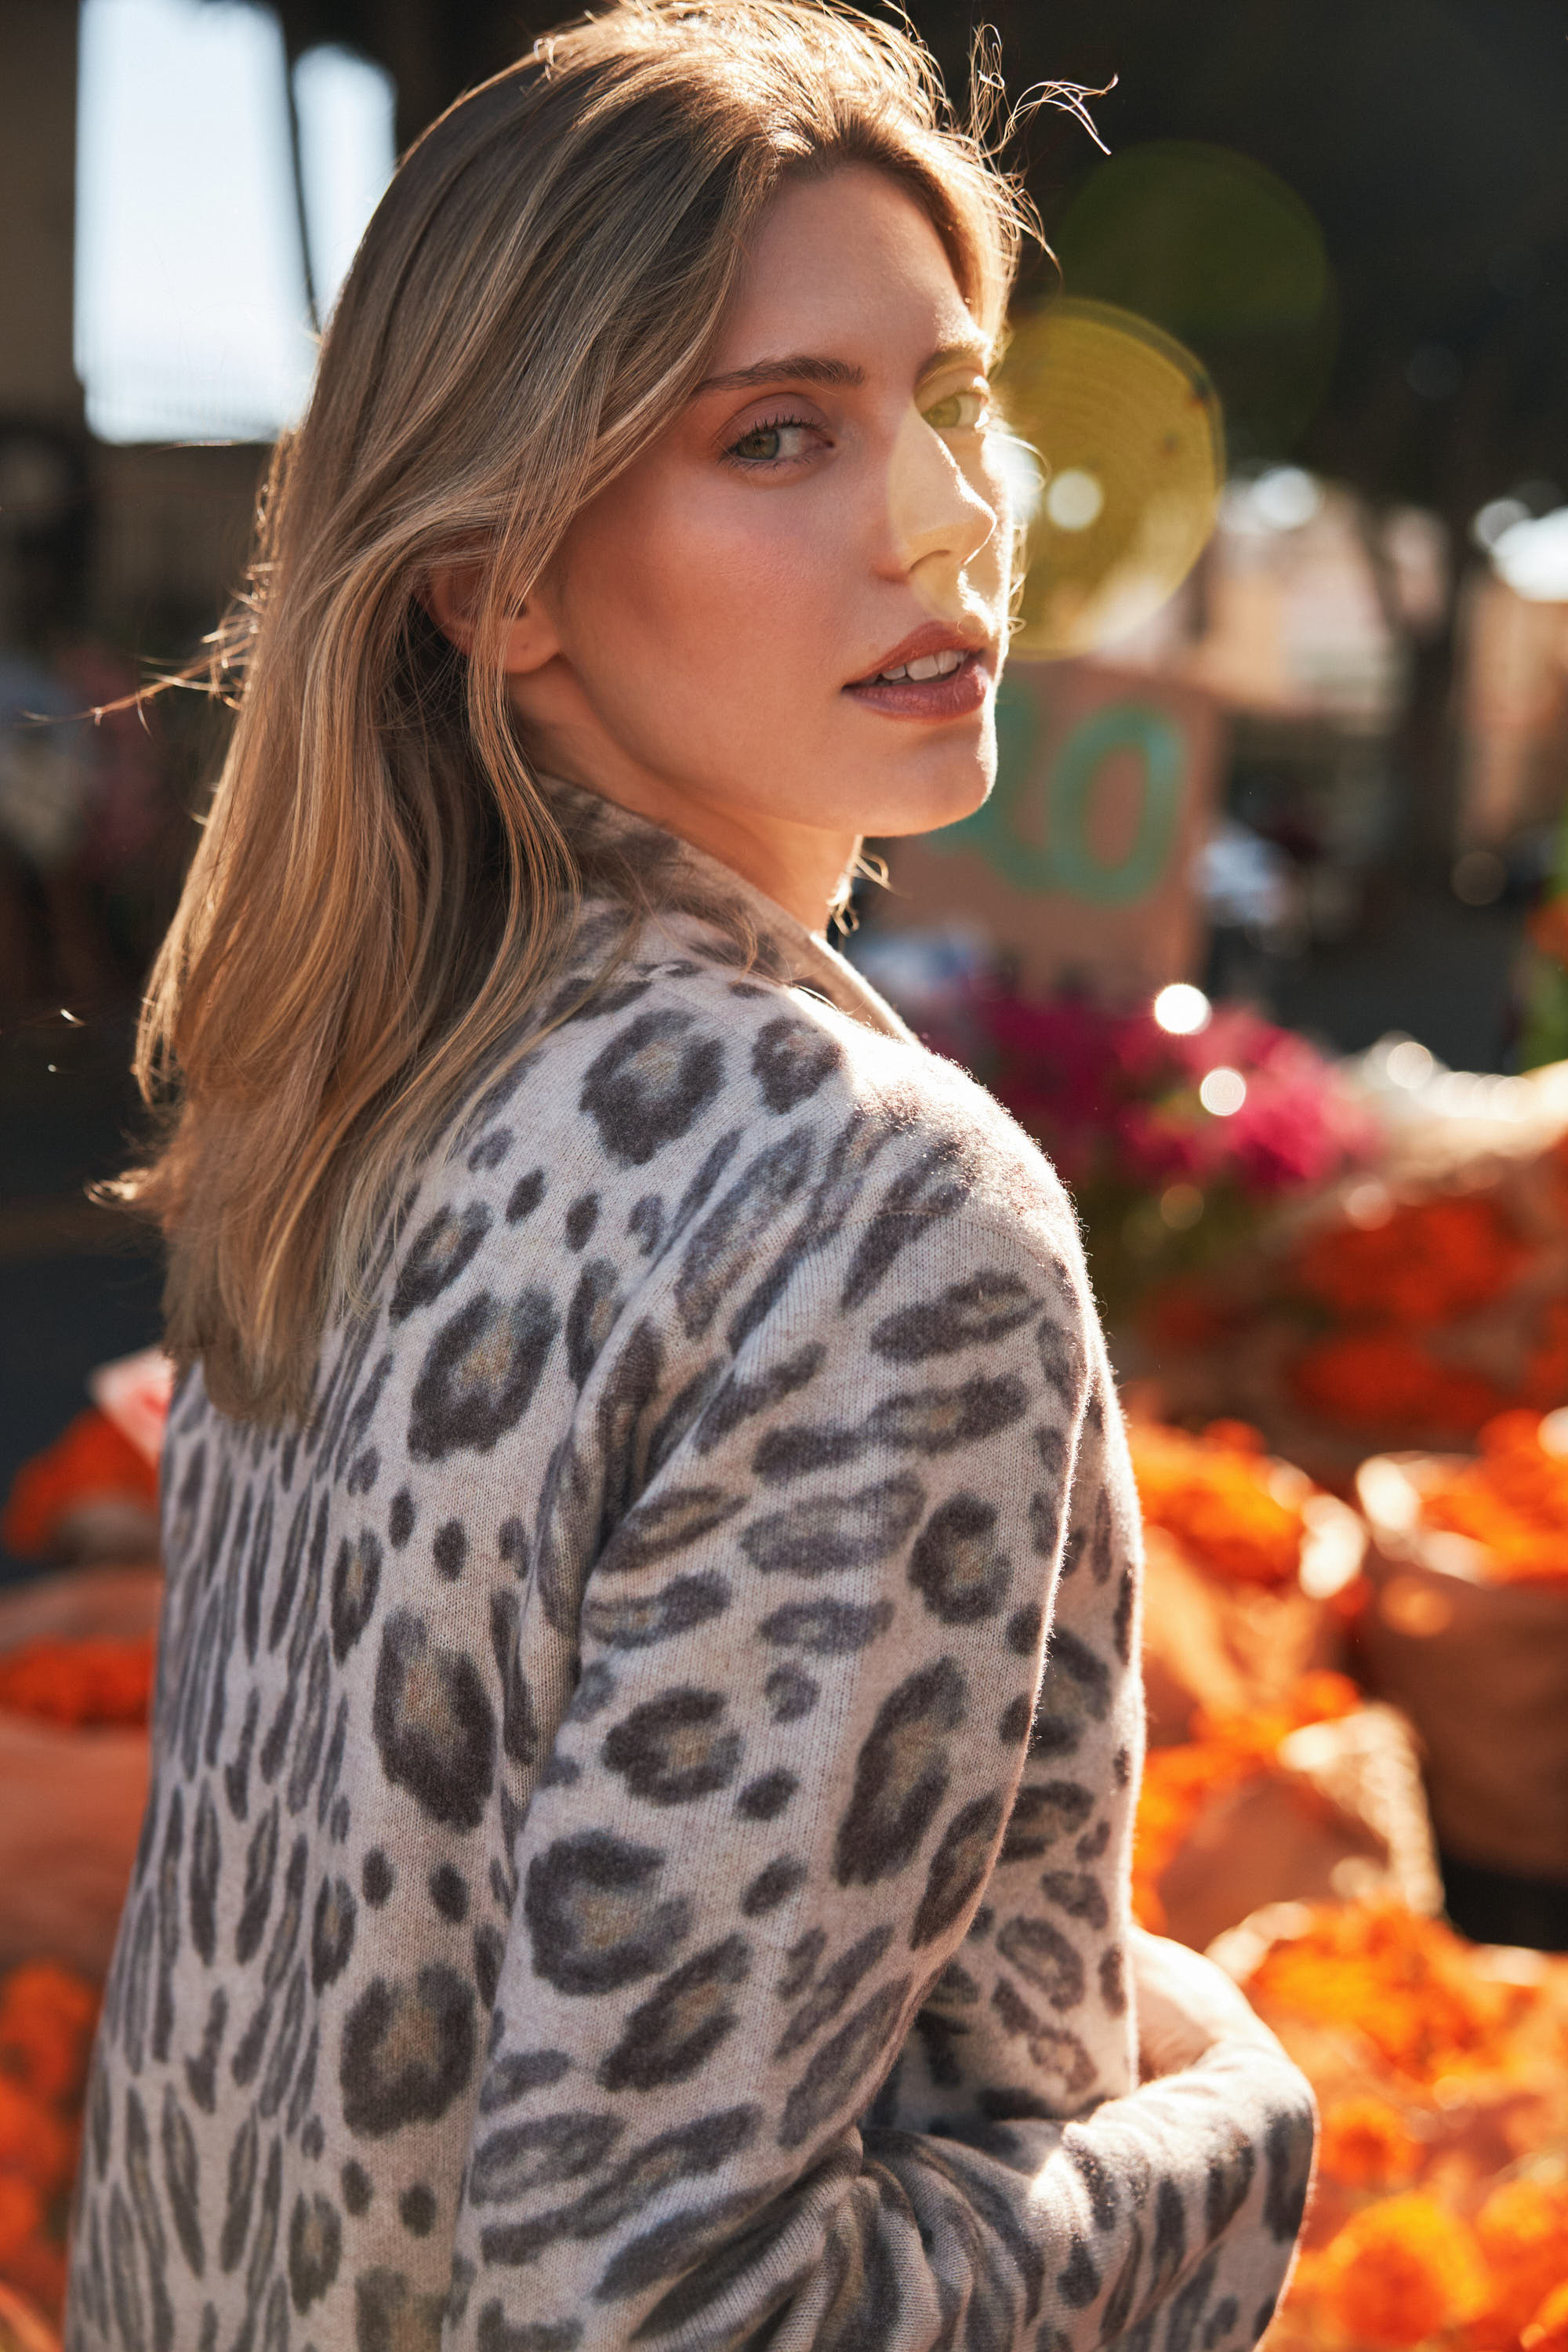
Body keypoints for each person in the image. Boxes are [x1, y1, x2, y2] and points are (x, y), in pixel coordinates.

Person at [66, 5, 1317, 2347]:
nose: (955, 514)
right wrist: (1225, 2149)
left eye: (954, 402)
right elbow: (668, 2314)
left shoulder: (338, 1098)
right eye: (779, 434)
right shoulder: (870, 1216)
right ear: (498, 576)